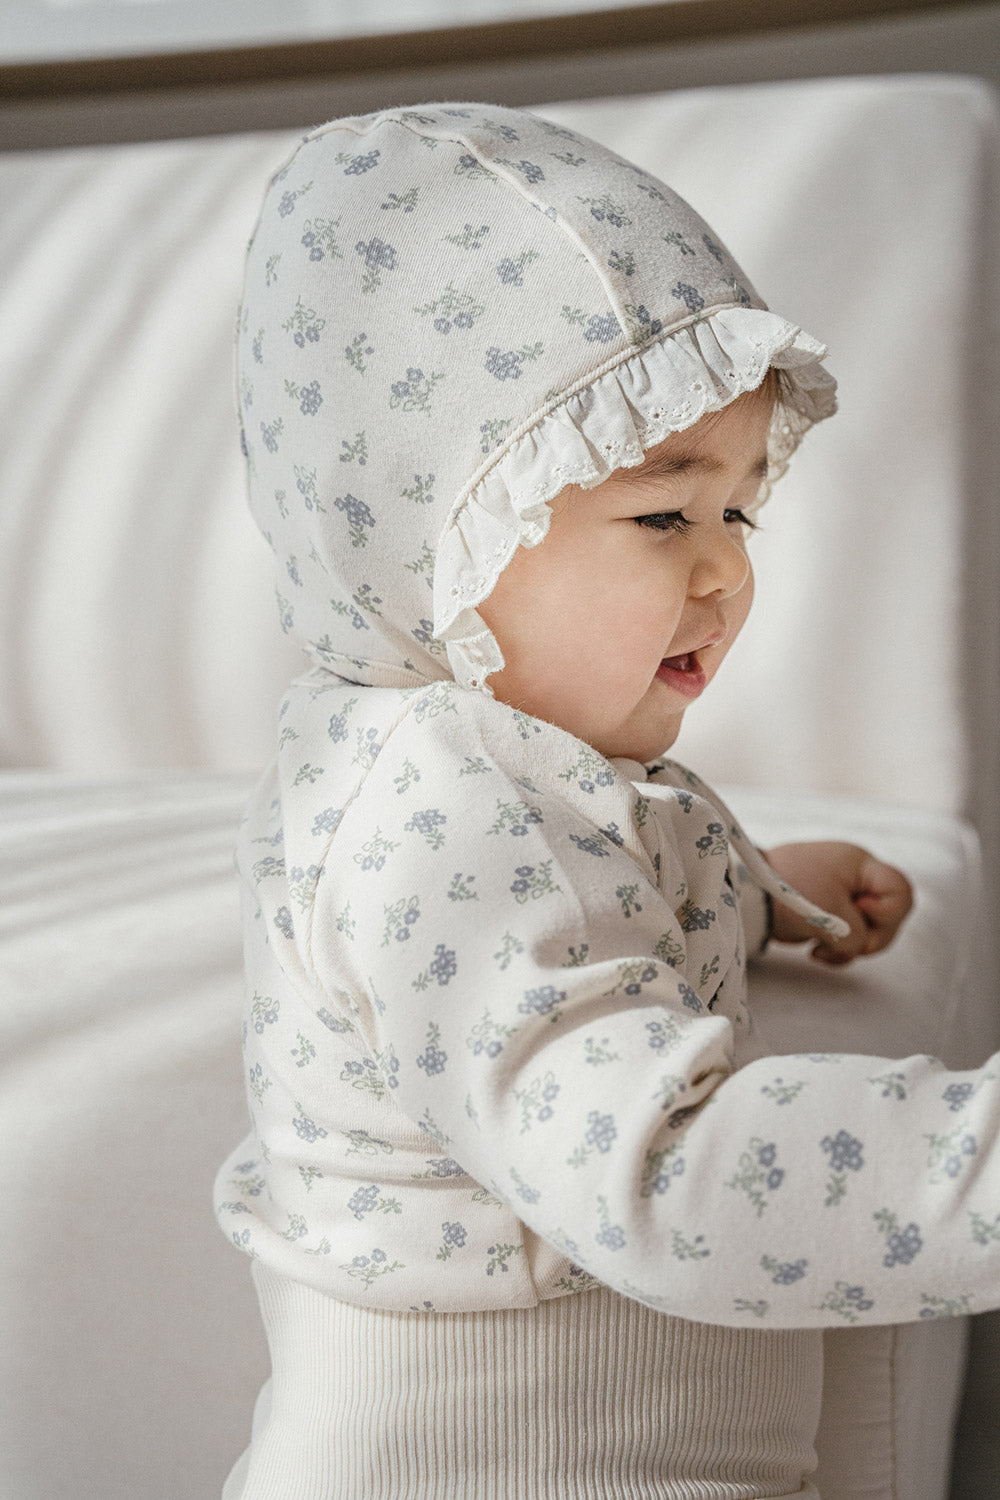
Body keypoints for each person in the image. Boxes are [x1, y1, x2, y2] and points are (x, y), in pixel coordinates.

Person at [214, 102, 989, 1499]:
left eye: (738, 514)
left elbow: (585, 909)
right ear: (439, 532)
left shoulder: (527, 763)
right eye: (662, 515)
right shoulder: (437, 818)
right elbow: (661, 1175)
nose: (725, 577)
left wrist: (759, 884)